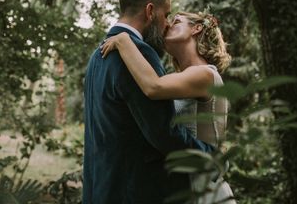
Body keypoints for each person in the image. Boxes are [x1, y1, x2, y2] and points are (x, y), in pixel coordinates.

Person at [82, 0, 214, 204]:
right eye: (166, 15)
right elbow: (163, 133)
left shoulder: (97, 56)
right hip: (135, 193)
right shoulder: (139, 54)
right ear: (150, 11)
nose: (166, 24)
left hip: (100, 189)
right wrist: (213, 156)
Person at [101, 11, 236, 203]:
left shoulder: (206, 75)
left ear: (196, 29)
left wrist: (124, 40)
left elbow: (153, 87)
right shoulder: (182, 77)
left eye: (176, 21)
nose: (168, 25)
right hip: (182, 187)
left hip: (204, 190)